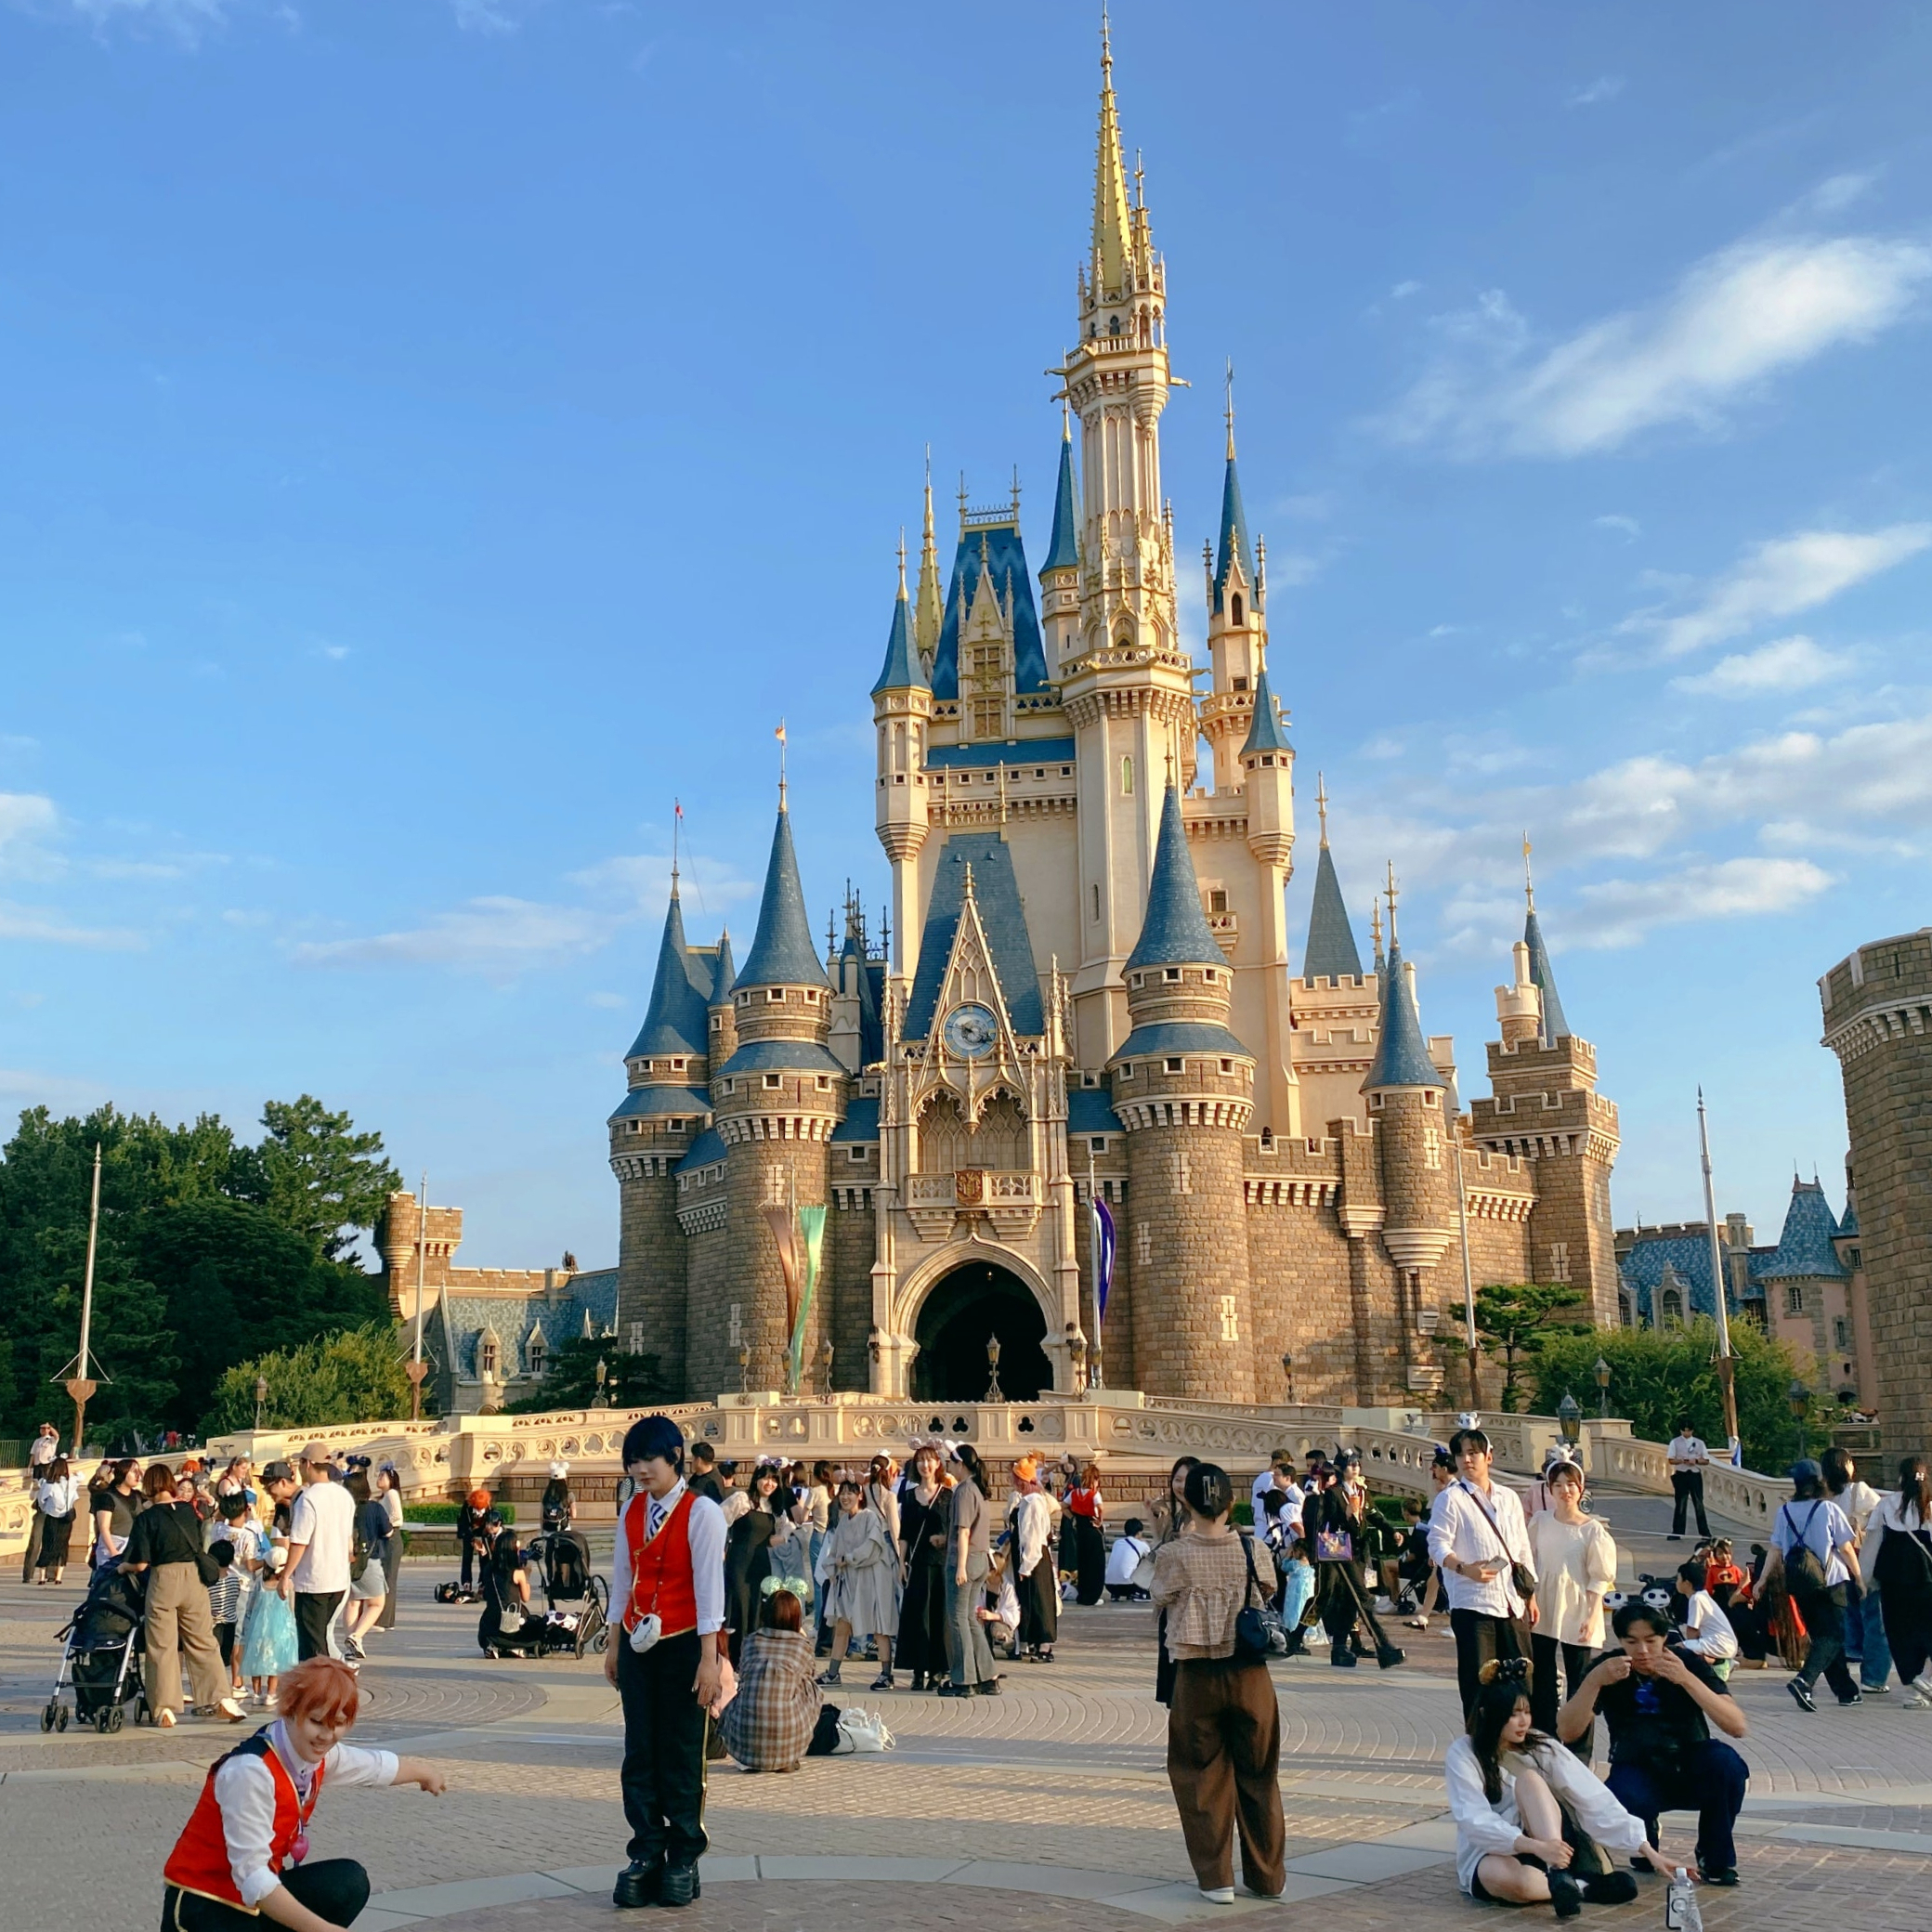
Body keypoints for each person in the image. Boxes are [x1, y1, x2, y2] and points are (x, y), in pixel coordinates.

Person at [159, 1655, 447, 1929]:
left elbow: (371, 1766)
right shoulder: (250, 1772)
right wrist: (321, 1929)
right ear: (291, 1710)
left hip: (251, 1898)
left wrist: (423, 1772)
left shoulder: (309, 1752)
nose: (327, 1736)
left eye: (338, 1724)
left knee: (348, 1882)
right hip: (204, 1906)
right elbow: (254, 1878)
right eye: (317, 1722)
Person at [1150, 1461, 1286, 1905]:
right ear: (1231, 1502)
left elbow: (1157, 1598)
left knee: (1200, 1777)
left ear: (1186, 1500)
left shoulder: (1174, 1554)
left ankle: (1217, 1879)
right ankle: (1267, 1877)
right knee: (1260, 1775)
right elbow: (1268, 1591)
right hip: (1250, 1675)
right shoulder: (1253, 1550)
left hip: (1196, 1676)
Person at [606, 1415, 726, 1912]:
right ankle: (646, 1851)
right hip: (638, 1645)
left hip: (683, 1647)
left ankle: (684, 1855)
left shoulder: (703, 1514)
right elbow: (620, 1578)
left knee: (681, 1754)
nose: (639, 1470)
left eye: (647, 1460)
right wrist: (613, 1644)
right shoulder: (632, 1510)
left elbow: (709, 1592)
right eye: (632, 1461)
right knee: (640, 1754)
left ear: (675, 1457)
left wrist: (710, 1660)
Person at [1556, 1599, 1751, 1887]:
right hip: (1637, 1766)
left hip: (1691, 1763)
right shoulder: (1608, 1668)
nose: (1643, 1651)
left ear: (1664, 1638)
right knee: (1623, 1793)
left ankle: (1714, 1856)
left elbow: (1737, 1725)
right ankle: (1646, 1840)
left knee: (1726, 1764)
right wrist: (1594, 1682)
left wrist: (1686, 1679)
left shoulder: (1686, 1663)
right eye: (1632, 1641)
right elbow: (1568, 1731)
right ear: (1621, 1641)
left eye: (1651, 1640)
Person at [1445, 1658, 1657, 1913]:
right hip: (1505, 1847)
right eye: (1513, 1714)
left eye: (1526, 1712)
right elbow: (1473, 1818)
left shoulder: (1540, 1745)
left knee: (1530, 1780)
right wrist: (1532, 1846)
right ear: (1487, 1714)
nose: (1523, 1721)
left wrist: (1644, 1847)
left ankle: (1559, 1874)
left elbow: (1590, 1794)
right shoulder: (1464, 1752)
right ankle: (1582, 1887)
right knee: (1494, 1876)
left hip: (1553, 1846)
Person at [121, 1467, 249, 1730]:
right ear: (171, 1484)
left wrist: (123, 1567)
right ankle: (222, 1698)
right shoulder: (190, 1512)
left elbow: (141, 1563)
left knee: (162, 1646)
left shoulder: (147, 1518)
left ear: (149, 1487)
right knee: (203, 1640)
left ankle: (166, 1707)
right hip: (193, 1578)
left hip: (164, 1580)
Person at [1430, 1428, 1535, 1722]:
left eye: (1473, 1452)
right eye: (1461, 1454)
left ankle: (1518, 1743)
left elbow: (1521, 1548)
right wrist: (1465, 1568)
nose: (1467, 1459)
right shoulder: (1451, 1499)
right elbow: (1437, 1545)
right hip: (1474, 1604)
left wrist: (1530, 1595)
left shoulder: (1509, 1498)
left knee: (1521, 1679)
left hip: (1512, 1603)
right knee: (1481, 1681)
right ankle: (1480, 1749)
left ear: (1488, 1456)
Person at [1524, 1459, 1615, 1755]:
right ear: (1549, 1488)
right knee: (1542, 1675)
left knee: (1580, 1679)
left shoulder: (1592, 1531)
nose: (1565, 1490)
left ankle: (1579, 1747)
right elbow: (1528, 1562)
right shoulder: (1540, 1520)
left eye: (1571, 1484)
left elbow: (1600, 1577)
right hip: (1543, 1603)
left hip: (1578, 1605)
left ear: (1581, 1488)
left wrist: (1591, 1614)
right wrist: (1529, 1598)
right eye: (1558, 1484)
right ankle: (1543, 1738)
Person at [1761, 1457, 1861, 1711]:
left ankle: (1846, 1691)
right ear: (1820, 1482)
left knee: (1823, 1637)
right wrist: (1859, 1577)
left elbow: (1775, 1548)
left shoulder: (1784, 1512)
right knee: (1834, 1636)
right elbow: (1846, 1547)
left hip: (1801, 1583)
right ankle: (1804, 1681)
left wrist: (1761, 1580)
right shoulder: (1827, 1509)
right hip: (1831, 1581)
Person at [720, 1587, 847, 1771]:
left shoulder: (751, 1641)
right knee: (812, 1690)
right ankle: (787, 1752)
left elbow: (743, 1671)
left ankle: (757, 1751)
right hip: (787, 1740)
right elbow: (809, 1675)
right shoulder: (801, 1646)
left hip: (745, 1744)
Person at [1312, 1450, 1403, 1669]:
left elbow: (1374, 1515)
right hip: (1341, 1552)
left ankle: (1338, 1648)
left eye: (1357, 1464)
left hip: (1359, 1553)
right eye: (1350, 1464)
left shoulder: (1362, 1492)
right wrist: (1345, 1516)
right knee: (1363, 1598)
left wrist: (1392, 1532)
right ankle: (1384, 1647)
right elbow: (1325, 1525)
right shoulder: (1333, 1494)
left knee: (1348, 1601)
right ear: (1342, 1469)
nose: (1355, 1468)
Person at [272, 1445, 357, 1664]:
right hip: (339, 1580)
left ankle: (322, 1691)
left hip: (313, 1582)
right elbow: (349, 1540)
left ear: (307, 1464)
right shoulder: (344, 1496)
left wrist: (286, 1575)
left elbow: (299, 1542)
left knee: (313, 1649)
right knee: (323, 1639)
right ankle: (330, 1683)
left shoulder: (309, 1498)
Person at [817, 1479, 899, 1689]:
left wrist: (847, 1559)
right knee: (843, 1625)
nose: (845, 1497)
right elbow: (834, 1551)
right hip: (850, 1580)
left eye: (850, 1493)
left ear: (859, 1496)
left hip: (872, 1579)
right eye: (842, 1493)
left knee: (879, 1626)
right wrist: (833, 1565)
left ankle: (886, 1674)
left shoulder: (870, 1517)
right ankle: (833, 1673)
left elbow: (871, 1548)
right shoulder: (844, 1521)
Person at [1864, 1456, 1932, 1705]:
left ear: (1901, 1478)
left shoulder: (1886, 1505)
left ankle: (1915, 1686)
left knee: (1901, 1633)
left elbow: (1872, 1544)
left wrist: (1866, 1578)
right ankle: (1924, 1682)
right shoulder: (1930, 1505)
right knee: (1927, 1630)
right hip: (1926, 1581)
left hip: (1893, 1582)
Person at [1822, 1445, 1890, 1695]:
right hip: (1862, 1564)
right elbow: (1882, 1516)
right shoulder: (1858, 1491)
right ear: (1846, 1465)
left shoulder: (1825, 1498)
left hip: (1837, 1569)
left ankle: (1853, 1656)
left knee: (1850, 1617)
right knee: (1875, 1621)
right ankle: (1873, 1678)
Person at [241, 1466, 300, 1709]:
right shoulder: (285, 1508)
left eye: (270, 1485)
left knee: (258, 1660)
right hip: (281, 1624)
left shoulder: (299, 1503)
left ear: (284, 1482)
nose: (266, 1490)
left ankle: (259, 1692)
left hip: (260, 1627)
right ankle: (273, 1692)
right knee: (276, 1660)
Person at [942, 1442, 998, 1698]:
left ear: (960, 1465)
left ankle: (964, 1681)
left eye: (951, 1463)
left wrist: (960, 1565)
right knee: (970, 1619)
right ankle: (987, 1676)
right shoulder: (978, 1489)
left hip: (965, 1559)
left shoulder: (964, 1491)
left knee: (958, 1618)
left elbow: (964, 1531)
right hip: (980, 1559)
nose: (948, 1467)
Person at [895, 1442, 951, 1688]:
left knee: (938, 1617)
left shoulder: (948, 1495)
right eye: (920, 1460)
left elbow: (956, 1530)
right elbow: (904, 1534)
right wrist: (901, 1564)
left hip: (940, 1565)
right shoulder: (908, 1496)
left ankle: (938, 1668)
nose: (925, 1465)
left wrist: (945, 1540)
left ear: (937, 1464)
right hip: (917, 1564)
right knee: (918, 1617)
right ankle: (919, 1670)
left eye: (929, 1460)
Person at [724, 1462, 787, 1667]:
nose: (770, 1483)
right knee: (740, 1606)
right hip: (739, 1562)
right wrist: (719, 1550)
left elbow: (771, 1538)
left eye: (774, 1480)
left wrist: (786, 1535)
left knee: (758, 1607)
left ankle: (754, 1658)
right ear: (757, 1479)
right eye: (766, 1478)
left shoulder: (774, 1508)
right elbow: (717, 1519)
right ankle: (734, 1660)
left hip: (760, 1564)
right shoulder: (742, 1499)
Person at [1153, 1454, 1200, 1706]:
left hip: (1187, 1611)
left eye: (1187, 1479)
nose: (1180, 1485)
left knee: (1186, 1690)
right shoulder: (1181, 1516)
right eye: (1177, 1479)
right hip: (1171, 1608)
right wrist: (1156, 1520)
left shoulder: (1200, 1519)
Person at [207, 1493, 258, 1696]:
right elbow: (250, 1564)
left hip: (218, 1583)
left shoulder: (218, 1530)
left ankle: (218, 1679)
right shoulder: (247, 1535)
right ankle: (237, 1680)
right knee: (239, 1635)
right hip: (242, 1586)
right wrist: (270, 1561)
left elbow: (218, 1518)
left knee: (218, 1629)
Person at [1012, 1456, 1059, 1663]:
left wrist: (1026, 1565)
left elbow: (1031, 1535)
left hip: (1035, 1556)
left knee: (1039, 1601)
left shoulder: (1032, 1503)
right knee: (1034, 1601)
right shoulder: (1033, 1501)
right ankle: (1034, 1642)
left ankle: (1044, 1646)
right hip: (1036, 1555)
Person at [340, 1471, 390, 1664]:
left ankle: (351, 1644)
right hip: (369, 1560)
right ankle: (357, 1636)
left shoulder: (345, 1510)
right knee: (376, 1603)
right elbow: (388, 1531)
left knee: (353, 1602)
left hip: (348, 1560)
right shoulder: (375, 1508)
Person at [476, 1511, 533, 1656]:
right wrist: (526, 1581)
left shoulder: (490, 1569)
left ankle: (494, 1646)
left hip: (493, 1617)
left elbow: (487, 1593)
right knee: (530, 1622)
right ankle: (514, 1647)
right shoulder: (517, 1572)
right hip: (513, 1616)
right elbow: (526, 1598)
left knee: (487, 1620)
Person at [1672, 1560, 1739, 1681]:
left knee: (1679, 1649)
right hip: (1725, 1643)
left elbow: (1692, 1630)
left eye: (1678, 1579)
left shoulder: (1696, 1599)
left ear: (1687, 1583)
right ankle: (1721, 1662)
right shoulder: (1702, 1596)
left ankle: (1720, 1663)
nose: (1677, 1583)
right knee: (1689, 1648)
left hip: (1720, 1643)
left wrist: (1688, 1650)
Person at [32, 1455, 80, 1586]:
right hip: (67, 1517)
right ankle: (58, 1576)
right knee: (63, 1545)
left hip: (52, 1516)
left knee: (48, 1544)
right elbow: (82, 1476)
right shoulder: (72, 1482)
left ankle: (41, 1576)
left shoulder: (49, 1485)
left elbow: (41, 1501)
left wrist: (46, 1508)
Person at [1064, 1461, 1106, 1606]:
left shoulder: (1074, 1493)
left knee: (1083, 1562)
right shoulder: (1094, 1494)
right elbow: (1100, 1508)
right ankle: (1093, 1595)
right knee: (1096, 1564)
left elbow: (1062, 1506)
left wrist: (1073, 1518)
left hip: (1080, 1531)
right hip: (1092, 1529)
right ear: (1095, 1480)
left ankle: (1083, 1594)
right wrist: (1099, 1520)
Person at [1666, 1419, 1711, 1541]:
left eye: (1688, 1430)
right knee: (1680, 1503)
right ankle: (1677, 1532)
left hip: (1695, 1474)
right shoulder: (1675, 1442)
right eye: (1684, 1431)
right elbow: (1670, 1459)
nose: (1686, 1433)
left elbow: (1706, 1460)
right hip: (1681, 1473)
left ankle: (1705, 1532)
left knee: (1698, 1503)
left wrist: (1695, 1461)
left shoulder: (1699, 1443)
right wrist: (1682, 1460)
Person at [95, 1456, 143, 1569]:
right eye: (133, 1471)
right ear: (123, 1473)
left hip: (133, 1547)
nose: (138, 1474)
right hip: (113, 1547)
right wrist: (113, 1551)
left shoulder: (138, 1496)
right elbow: (104, 1528)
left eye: (139, 1471)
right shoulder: (107, 1497)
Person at [373, 1465, 405, 1632]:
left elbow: (397, 1517)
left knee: (388, 1579)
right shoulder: (385, 1496)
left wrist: (384, 1527)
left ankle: (384, 1620)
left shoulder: (392, 1494)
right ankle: (386, 1619)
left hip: (391, 1539)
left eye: (382, 1476)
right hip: (387, 1539)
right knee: (386, 1578)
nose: (379, 1479)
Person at [1107, 1516, 1153, 1602]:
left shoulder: (1117, 1543)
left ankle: (1115, 1595)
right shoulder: (1142, 1545)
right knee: (1148, 1564)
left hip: (1110, 1586)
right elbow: (1151, 1559)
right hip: (1128, 1586)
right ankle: (1142, 1593)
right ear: (1139, 1533)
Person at [685, 1440, 725, 1506]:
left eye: (692, 1458)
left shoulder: (711, 1482)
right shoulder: (698, 1475)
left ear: (698, 1460)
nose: (691, 1461)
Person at [542, 1460, 574, 1533]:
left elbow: (541, 1515)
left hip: (548, 1529)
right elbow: (574, 1515)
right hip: (563, 1527)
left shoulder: (547, 1494)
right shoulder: (569, 1494)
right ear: (564, 1480)